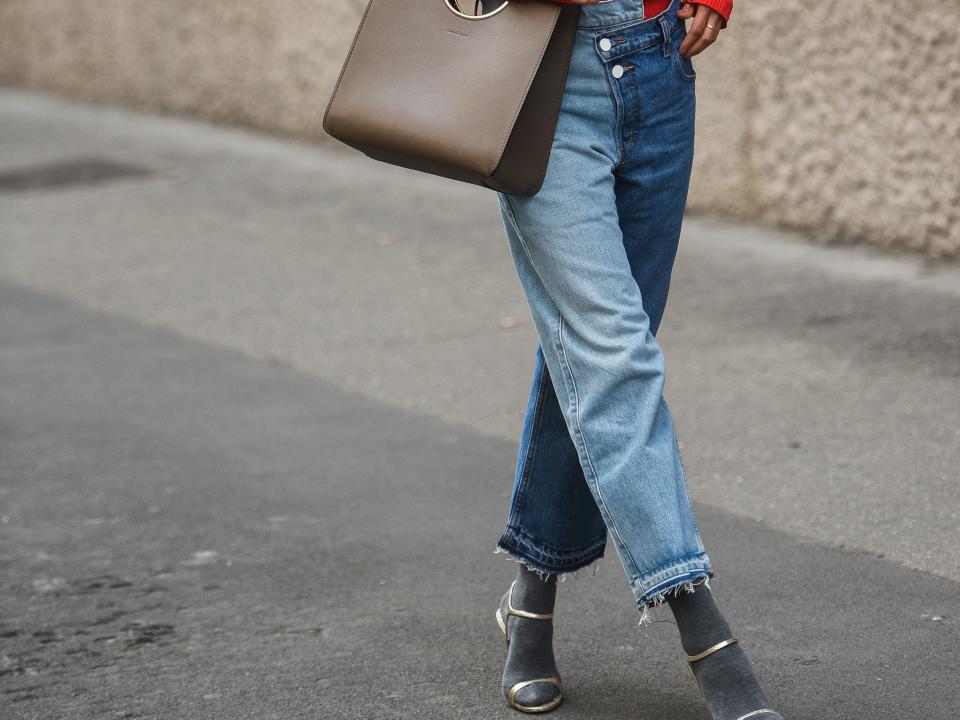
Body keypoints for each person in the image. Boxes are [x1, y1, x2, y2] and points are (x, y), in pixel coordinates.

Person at [479, 0, 785, 718]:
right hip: (542, 76)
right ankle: (706, 633)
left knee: (594, 357)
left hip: (660, 61)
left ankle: (531, 595)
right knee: (613, 357)